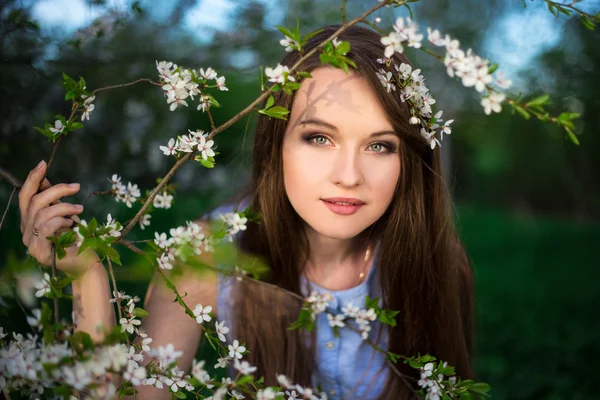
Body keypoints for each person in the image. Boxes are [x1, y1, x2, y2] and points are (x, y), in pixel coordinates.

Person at [18, 25, 475, 399]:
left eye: (380, 145)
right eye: (319, 137)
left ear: (407, 160)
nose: (349, 175)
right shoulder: (203, 256)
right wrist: (87, 276)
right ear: (276, 145)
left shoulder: (437, 262)